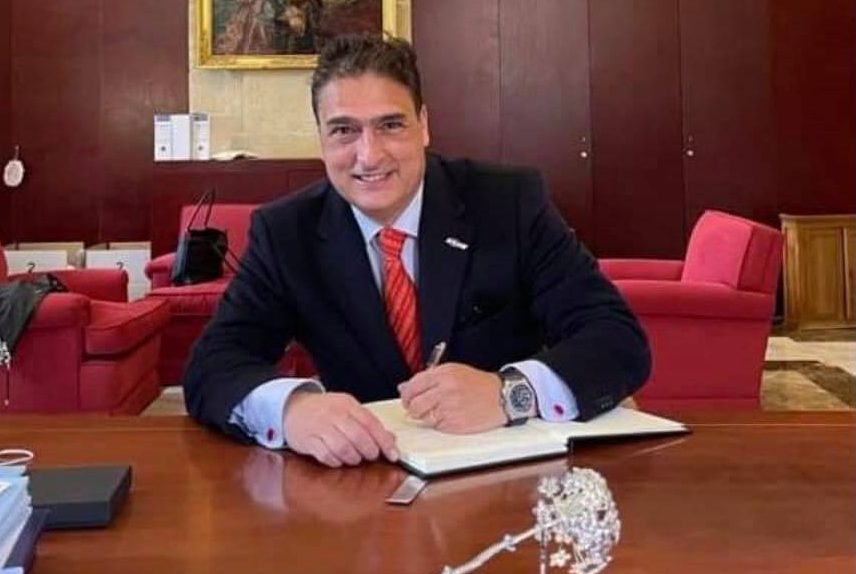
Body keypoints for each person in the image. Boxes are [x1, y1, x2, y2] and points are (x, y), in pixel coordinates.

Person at [184, 34, 651, 468]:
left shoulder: (508, 203)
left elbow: (617, 339)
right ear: (321, 137)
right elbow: (213, 365)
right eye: (344, 130)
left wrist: (510, 393)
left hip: (508, 476)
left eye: (390, 125)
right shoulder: (286, 233)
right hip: (360, 484)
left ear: (424, 125)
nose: (369, 155)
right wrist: (291, 410)